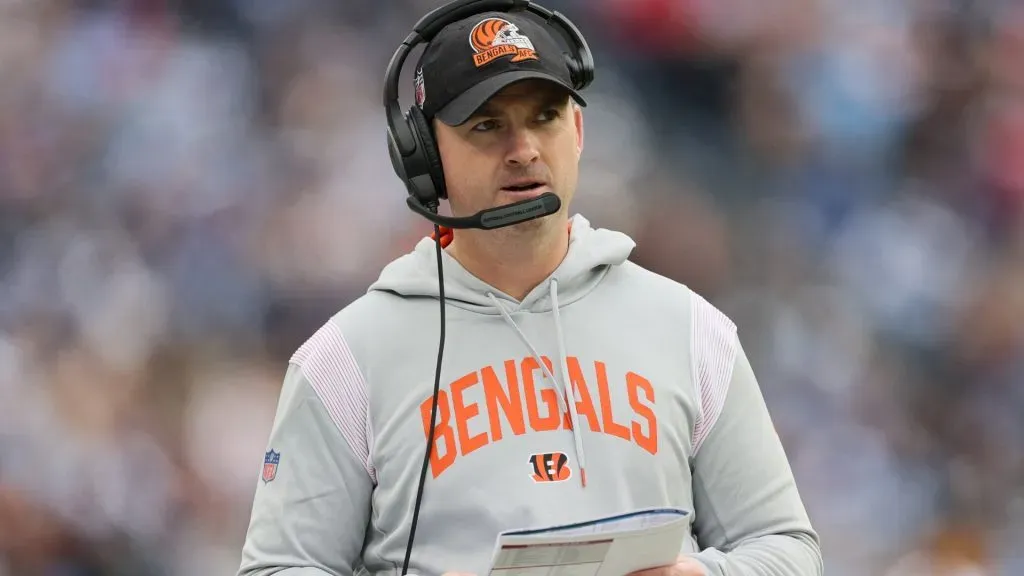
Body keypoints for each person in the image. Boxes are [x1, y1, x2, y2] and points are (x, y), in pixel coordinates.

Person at [236, 5, 823, 576]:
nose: (523, 150)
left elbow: (787, 547)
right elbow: (278, 567)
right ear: (424, 158)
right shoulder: (343, 360)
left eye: (544, 117)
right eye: (487, 125)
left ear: (579, 129)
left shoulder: (692, 329)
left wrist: (701, 575)